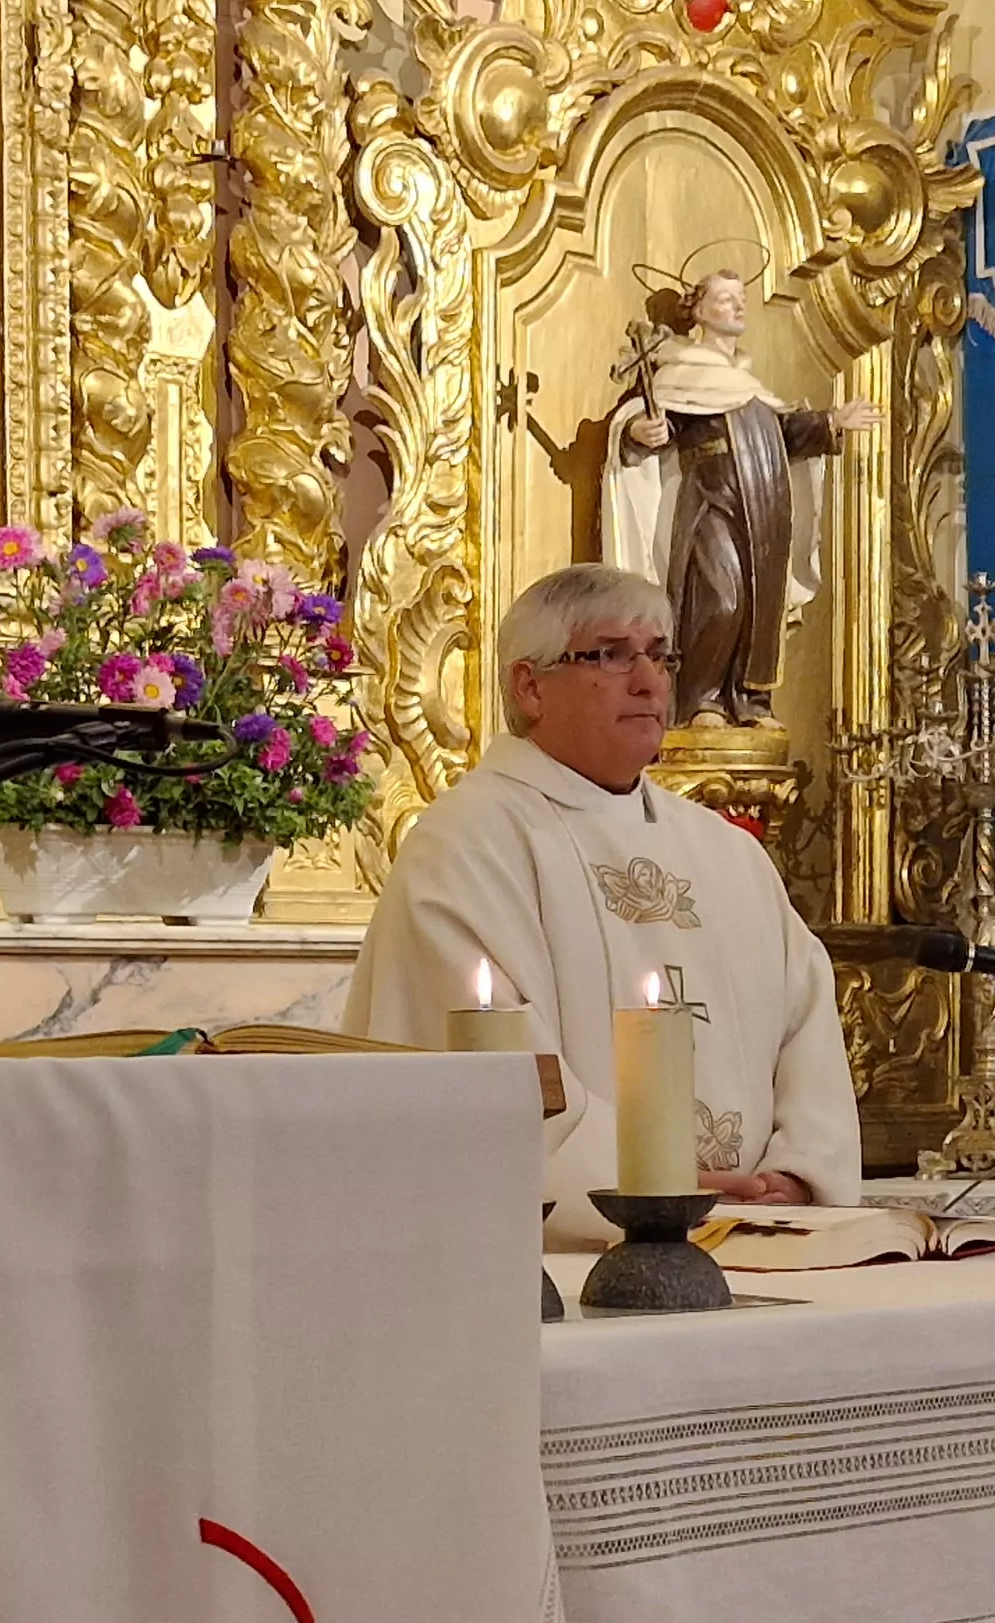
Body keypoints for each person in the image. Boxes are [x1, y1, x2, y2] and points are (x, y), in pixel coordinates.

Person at [349, 564, 861, 1248]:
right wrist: (654, 1191)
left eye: (659, 654)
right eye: (611, 655)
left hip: (760, 1238)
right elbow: (488, 1070)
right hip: (570, 1255)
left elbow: (807, 1021)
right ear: (528, 685)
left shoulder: (726, 852)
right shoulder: (467, 845)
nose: (650, 681)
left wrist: (797, 1173)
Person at [603, 268, 880, 725]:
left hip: (765, 499)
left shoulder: (749, 385)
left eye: (742, 297)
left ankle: (750, 701)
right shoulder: (681, 371)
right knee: (720, 597)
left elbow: (785, 431)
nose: (738, 305)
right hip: (712, 497)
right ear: (698, 311)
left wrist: (831, 421)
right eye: (726, 297)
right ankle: (701, 699)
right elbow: (651, 419)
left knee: (759, 606)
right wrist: (639, 430)